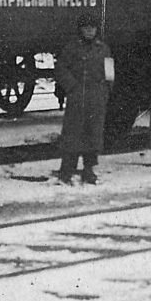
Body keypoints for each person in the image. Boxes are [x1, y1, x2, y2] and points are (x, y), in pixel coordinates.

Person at [54, 14, 111, 184]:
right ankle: (66, 172)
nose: (89, 31)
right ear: (80, 29)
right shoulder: (72, 48)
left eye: (92, 28)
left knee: (93, 136)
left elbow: (110, 73)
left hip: (95, 99)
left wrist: (105, 92)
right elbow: (61, 69)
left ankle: (89, 170)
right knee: (72, 136)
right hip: (78, 99)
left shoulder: (103, 49)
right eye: (86, 27)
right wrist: (72, 87)